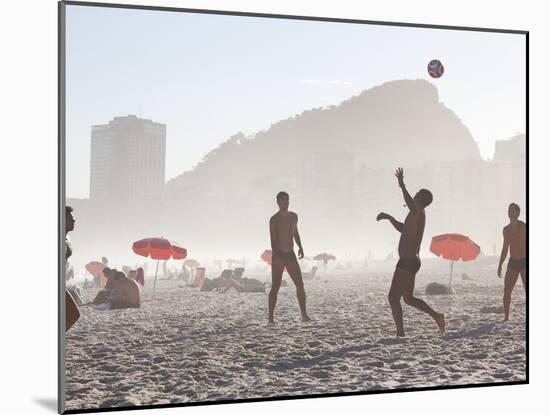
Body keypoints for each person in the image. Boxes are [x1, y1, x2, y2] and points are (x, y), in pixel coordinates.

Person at [377, 168, 445, 337]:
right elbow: (403, 229)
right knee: (408, 298)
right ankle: (437, 316)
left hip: (408, 261)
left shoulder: (418, 211)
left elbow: (409, 202)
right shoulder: (415, 214)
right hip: (411, 261)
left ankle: (400, 332)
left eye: (416, 194)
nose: (413, 195)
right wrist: (389, 218)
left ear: (420, 199)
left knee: (393, 298)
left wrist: (402, 185)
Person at [268, 191, 311, 324]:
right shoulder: (274, 219)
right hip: (278, 256)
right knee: (275, 286)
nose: (286, 202)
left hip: (290, 254)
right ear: (278, 202)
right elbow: (273, 241)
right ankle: (270, 317)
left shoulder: (293, 216)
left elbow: (295, 233)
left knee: (300, 284)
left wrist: (300, 247)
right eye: (283, 200)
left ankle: (304, 315)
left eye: (287, 200)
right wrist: (279, 255)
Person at [497, 202, 526, 322]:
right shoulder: (506, 230)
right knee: (507, 290)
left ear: (517, 213)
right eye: (508, 209)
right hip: (513, 262)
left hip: (524, 261)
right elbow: (505, 248)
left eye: (511, 210)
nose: (509, 211)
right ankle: (506, 317)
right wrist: (500, 265)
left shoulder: (524, 226)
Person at [65, 206, 80, 331]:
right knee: (74, 314)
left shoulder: (67, 238)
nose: (74, 221)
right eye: (70, 218)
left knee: (73, 315)